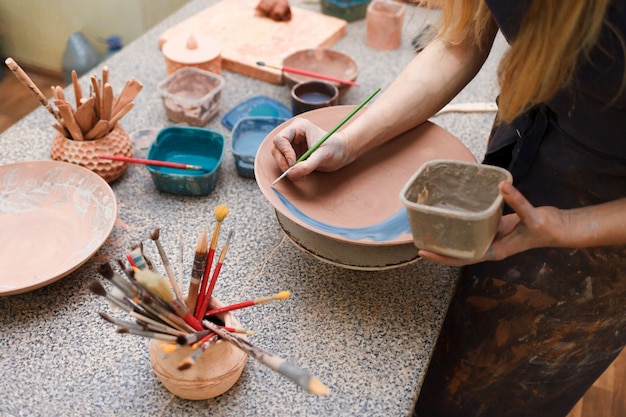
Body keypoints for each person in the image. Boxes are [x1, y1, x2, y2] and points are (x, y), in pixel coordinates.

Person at [270, 0, 626, 416]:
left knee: (494, 396)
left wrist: (567, 225)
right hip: (529, 145)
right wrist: (347, 141)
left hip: (602, 226)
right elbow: (460, 44)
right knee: (432, 369)